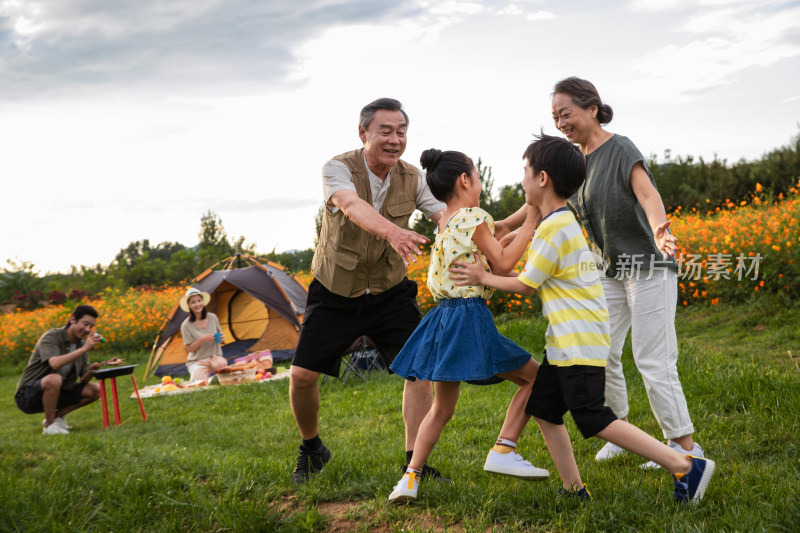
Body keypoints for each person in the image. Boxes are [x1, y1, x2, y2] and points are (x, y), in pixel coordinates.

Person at [450, 134, 715, 503]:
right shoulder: (557, 222)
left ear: (542, 178)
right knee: (543, 408)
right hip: (564, 342)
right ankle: (574, 489)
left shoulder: (556, 227)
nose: (522, 178)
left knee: (594, 419)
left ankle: (685, 464)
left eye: (525, 171)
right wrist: (489, 270)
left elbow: (526, 284)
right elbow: (530, 276)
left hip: (579, 343)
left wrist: (482, 278)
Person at [289, 98, 448, 484]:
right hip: (335, 291)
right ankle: (312, 448)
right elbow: (351, 205)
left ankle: (416, 463)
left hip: (390, 291)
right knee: (301, 377)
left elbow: (443, 214)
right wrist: (393, 231)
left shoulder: (414, 178)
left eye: (401, 132)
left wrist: (461, 231)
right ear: (364, 133)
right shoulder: (338, 168)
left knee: (419, 369)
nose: (395, 140)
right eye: (386, 131)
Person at [549, 77, 702, 466]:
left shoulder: (619, 148)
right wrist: (503, 227)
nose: (560, 123)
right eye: (554, 117)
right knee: (601, 352)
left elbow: (648, 194)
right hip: (608, 271)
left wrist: (659, 230)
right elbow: (544, 203)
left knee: (653, 359)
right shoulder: (575, 162)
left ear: (592, 109)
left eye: (565, 113)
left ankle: (685, 447)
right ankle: (620, 431)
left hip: (648, 265)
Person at [387, 148, 549, 503]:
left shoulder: (446, 220)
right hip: (468, 317)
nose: (478, 182)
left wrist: (526, 217)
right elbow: (504, 265)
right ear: (465, 180)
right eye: (476, 176)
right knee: (535, 377)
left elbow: (496, 241)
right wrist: (533, 222)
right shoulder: (474, 216)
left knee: (442, 408)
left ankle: (410, 479)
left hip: (443, 317)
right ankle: (504, 449)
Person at [14, 304, 103, 435]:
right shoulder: (51, 337)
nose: (87, 329)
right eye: (85, 324)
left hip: (58, 392)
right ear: (73, 319)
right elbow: (54, 364)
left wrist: (91, 370)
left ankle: (56, 418)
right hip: (28, 395)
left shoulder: (81, 345)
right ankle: (49, 427)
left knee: (96, 389)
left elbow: (83, 379)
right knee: (54, 379)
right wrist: (84, 349)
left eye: (91, 326)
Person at [179, 287, 228, 381]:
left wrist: (222, 339)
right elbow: (189, 348)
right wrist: (202, 339)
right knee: (202, 379)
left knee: (223, 363)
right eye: (193, 302)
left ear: (203, 302)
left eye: (199, 301)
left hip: (214, 357)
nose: (197, 304)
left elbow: (220, 339)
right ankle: (204, 373)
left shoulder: (213, 317)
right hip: (198, 360)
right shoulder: (186, 325)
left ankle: (212, 369)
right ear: (189, 305)